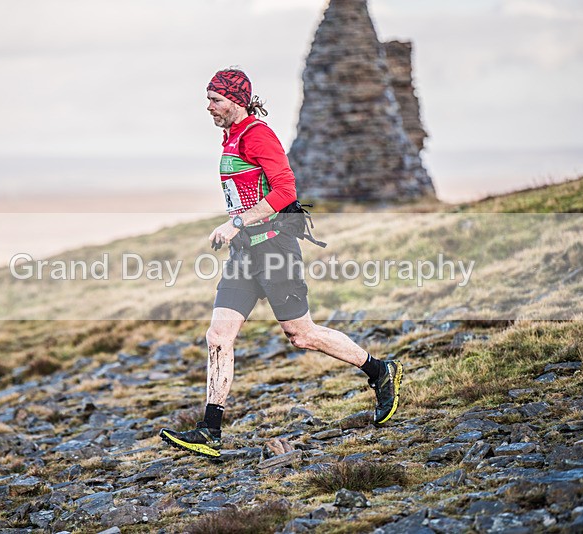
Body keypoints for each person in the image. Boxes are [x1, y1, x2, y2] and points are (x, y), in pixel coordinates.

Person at [159, 69, 402, 458]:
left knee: (301, 334)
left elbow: (286, 192)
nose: (209, 107)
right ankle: (210, 431)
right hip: (244, 254)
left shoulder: (258, 135)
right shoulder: (232, 136)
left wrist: (236, 222)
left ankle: (380, 370)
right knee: (218, 336)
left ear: (236, 101)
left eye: (215, 100)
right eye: (208, 100)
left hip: (275, 249)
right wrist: (237, 229)